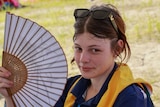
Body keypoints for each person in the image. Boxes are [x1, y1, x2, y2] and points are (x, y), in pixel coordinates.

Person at [0, 3, 154, 107]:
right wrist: (10, 96)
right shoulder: (70, 88)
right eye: (79, 48)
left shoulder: (130, 97)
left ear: (117, 49)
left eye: (95, 50)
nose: (83, 59)